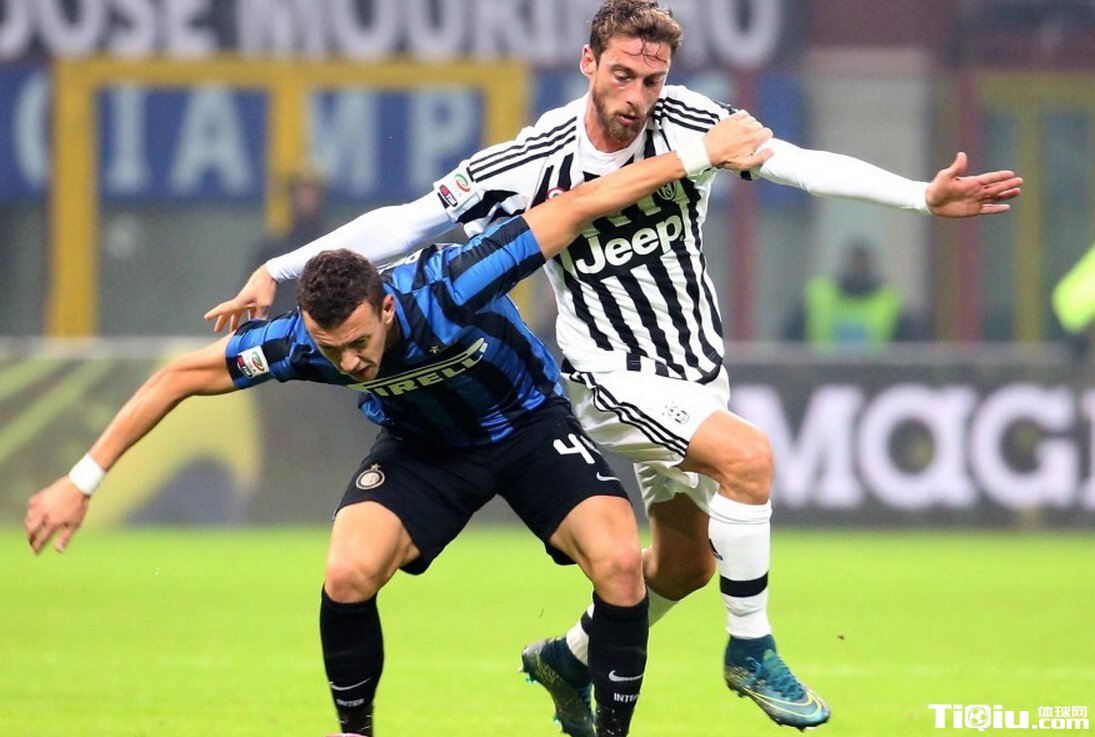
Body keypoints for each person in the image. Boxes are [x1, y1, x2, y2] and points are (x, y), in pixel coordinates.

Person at [206, 1, 1023, 732]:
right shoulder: (532, 158)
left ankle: (568, 656)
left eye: (651, 79)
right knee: (748, 458)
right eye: (622, 75)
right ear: (588, 63)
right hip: (606, 372)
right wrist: (281, 268)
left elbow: (798, 163)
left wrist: (921, 196)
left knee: (686, 566)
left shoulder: (690, 120)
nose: (636, 95)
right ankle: (751, 651)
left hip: (693, 371)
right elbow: (409, 221)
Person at [25, 111, 773, 737]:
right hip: (425, 449)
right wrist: (81, 480)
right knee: (347, 571)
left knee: (617, 564)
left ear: (385, 306)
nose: (350, 362)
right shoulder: (302, 342)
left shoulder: (452, 285)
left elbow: (576, 206)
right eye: (332, 350)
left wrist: (698, 155)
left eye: (359, 342)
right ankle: (354, 731)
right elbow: (179, 376)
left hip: (526, 425)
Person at [782, 237, 925, 349]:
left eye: (861, 263)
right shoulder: (817, 297)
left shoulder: (890, 302)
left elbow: (912, 351)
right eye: (855, 262)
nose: (857, 268)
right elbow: (788, 345)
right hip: (820, 376)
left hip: (876, 376)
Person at [252, 162, 332, 317]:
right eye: (300, 192)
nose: (305, 199)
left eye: (310, 192)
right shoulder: (273, 252)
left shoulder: (334, 250)